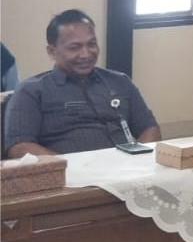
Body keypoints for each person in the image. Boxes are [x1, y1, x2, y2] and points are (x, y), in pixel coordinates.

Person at [3, 9, 160, 158]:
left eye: (91, 44)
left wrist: (138, 161)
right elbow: (19, 147)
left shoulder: (119, 81)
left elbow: (149, 128)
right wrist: (69, 167)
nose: (86, 54)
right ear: (52, 51)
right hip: (67, 174)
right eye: (74, 48)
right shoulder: (32, 91)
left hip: (129, 170)